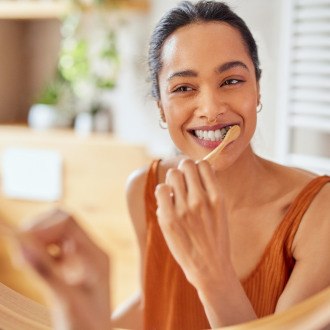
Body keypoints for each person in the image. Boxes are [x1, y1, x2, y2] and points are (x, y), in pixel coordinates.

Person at [11, 1, 330, 329]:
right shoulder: (146, 189)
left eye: (231, 81)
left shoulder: (319, 213)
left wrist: (212, 273)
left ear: (257, 88)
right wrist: (84, 312)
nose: (210, 108)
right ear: (161, 108)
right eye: (183, 88)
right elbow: (155, 302)